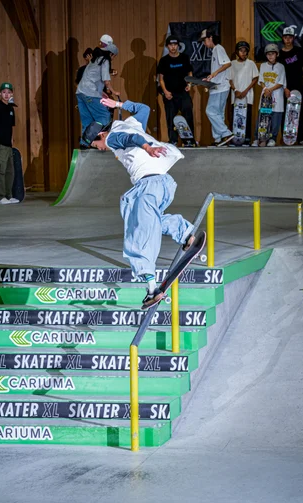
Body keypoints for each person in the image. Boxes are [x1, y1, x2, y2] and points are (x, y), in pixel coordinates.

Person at [82, 98, 196, 308]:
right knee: (146, 221)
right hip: (164, 184)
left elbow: (131, 138)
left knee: (137, 233)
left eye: (95, 145)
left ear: (100, 135)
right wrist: (118, 105)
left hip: (148, 187)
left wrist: (146, 147)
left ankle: (152, 288)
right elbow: (144, 108)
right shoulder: (130, 123)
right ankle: (184, 232)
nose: (99, 149)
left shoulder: (113, 137)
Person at [76, 41, 120, 148]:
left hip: (80, 92)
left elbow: (90, 78)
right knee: (104, 117)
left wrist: (102, 93)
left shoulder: (94, 60)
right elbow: (106, 81)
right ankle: (87, 140)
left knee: (88, 120)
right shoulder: (104, 61)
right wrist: (114, 92)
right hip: (90, 93)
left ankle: (84, 145)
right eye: (114, 56)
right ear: (111, 54)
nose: (113, 58)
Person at [157, 35, 195, 146]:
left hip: (183, 92)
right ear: (167, 46)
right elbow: (161, 79)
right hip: (170, 94)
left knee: (188, 114)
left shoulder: (184, 58)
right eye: (171, 45)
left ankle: (189, 140)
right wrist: (165, 91)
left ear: (178, 46)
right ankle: (173, 140)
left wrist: (190, 85)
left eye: (175, 45)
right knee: (170, 117)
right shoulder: (164, 61)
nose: (173, 47)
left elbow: (190, 73)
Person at [200, 29, 234, 146]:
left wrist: (214, 74)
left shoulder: (218, 48)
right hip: (217, 86)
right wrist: (210, 77)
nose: (204, 43)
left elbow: (227, 63)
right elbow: (218, 69)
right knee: (218, 114)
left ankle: (226, 133)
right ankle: (218, 139)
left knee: (210, 111)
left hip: (221, 87)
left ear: (210, 38)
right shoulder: (215, 50)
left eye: (204, 40)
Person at [278, 27, 303, 145]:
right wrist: (285, 87)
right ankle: (286, 137)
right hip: (286, 86)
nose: (288, 40)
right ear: (283, 38)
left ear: (293, 38)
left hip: (299, 85)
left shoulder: (299, 51)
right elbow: (279, 74)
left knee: (300, 111)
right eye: (286, 37)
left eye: (290, 37)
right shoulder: (279, 55)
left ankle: (301, 137)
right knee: (286, 111)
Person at [252, 44, 286, 147]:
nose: (270, 56)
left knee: (275, 118)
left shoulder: (281, 66)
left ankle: (272, 138)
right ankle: (259, 138)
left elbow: (281, 82)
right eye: (268, 54)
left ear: (277, 54)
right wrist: (265, 89)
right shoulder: (263, 66)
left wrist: (271, 89)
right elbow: (261, 80)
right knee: (262, 117)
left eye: (273, 54)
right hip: (265, 96)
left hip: (277, 95)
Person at [229, 41, 258, 146]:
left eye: (245, 51)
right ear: (237, 52)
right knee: (235, 117)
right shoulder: (232, 63)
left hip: (248, 96)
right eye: (241, 51)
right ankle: (235, 138)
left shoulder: (251, 63)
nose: (243, 53)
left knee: (247, 117)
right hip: (236, 96)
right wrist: (236, 90)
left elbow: (255, 78)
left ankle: (247, 139)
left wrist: (245, 91)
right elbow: (230, 79)